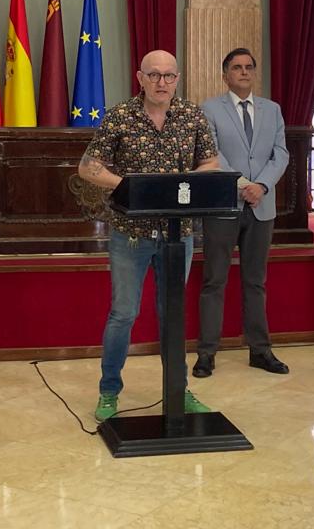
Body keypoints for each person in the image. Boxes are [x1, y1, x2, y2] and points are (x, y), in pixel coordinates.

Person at [78, 50, 219, 422]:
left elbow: (211, 163)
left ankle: (179, 391)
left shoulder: (191, 115)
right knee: (123, 313)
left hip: (179, 234)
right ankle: (109, 392)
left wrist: (184, 184)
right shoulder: (122, 115)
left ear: (177, 79)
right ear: (140, 78)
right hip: (132, 235)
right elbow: (89, 167)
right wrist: (131, 188)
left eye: (169, 76)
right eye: (154, 75)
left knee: (171, 315)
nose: (162, 83)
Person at [194, 48, 290, 378]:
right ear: (226, 75)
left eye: (249, 67)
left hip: (261, 206)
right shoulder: (209, 109)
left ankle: (260, 350)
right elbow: (212, 153)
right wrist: (243, 184)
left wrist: (261, 186)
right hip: (224, 204)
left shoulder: (272, 110)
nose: (244, 72)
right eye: (237, 68)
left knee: (255, 282)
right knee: (214, 280)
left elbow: (281, 155)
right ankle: (207, 353)